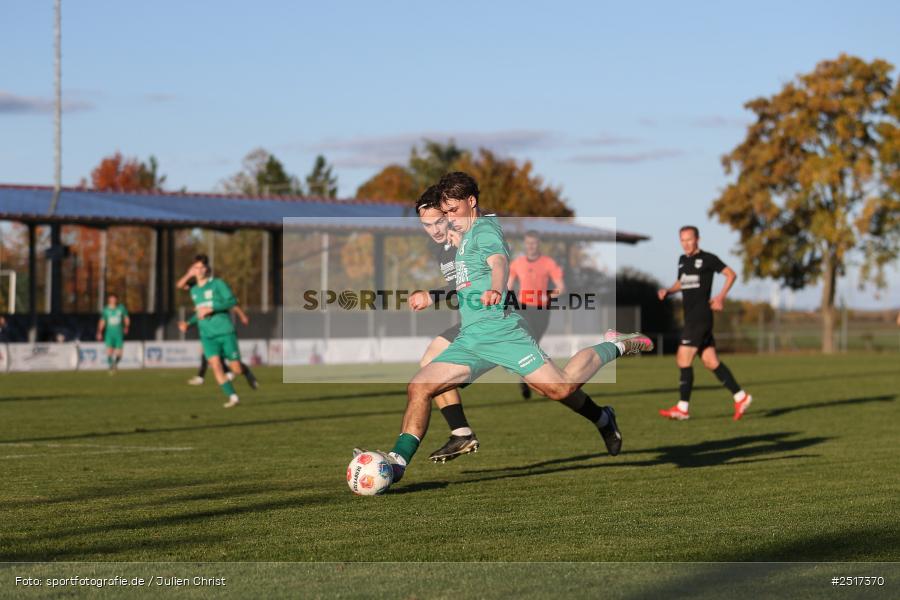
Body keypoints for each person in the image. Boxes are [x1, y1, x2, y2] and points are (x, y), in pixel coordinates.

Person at [357, 172, 654, 488]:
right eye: (440, 216)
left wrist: (497, 287)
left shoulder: (485, 231)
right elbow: (463, 273)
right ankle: (398, 463)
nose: (445, 221)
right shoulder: (458, 235)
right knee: (420, 385)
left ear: (471, 203)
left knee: (560, 388)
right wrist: (435, 289)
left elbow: (499, 262)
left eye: (451, 212)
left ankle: (617, 345)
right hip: (472, 336)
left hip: (502, 332)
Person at [409, 185, 478, 463]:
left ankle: (600, 415)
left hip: (499, 323)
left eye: (439, 221)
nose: (435, 230)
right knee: (430, 362)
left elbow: (471, 283)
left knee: (558, 388)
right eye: (427, 225)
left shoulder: (471, 236)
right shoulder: (442, 249)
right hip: (472, 322)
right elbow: (458, 289)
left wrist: (432, 296)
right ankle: (461, 433)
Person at [657, 226, 752, 421]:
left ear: (697, 239)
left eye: (689, 239)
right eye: (682, 240)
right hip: (691, 318)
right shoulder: (682, 260)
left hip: (701, 318)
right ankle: (741, 397)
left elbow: (731, 274)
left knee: (683, 358)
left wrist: (720, 297)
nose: (686, 243)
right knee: (710, 361)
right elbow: (681, 282)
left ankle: (683, 408)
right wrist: (668, 291)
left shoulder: (708, 259)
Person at [176, 255, 247, 408]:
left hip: (225, 331)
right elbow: (198, 310)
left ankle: (238, 372)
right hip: (207, 335)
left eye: (202, 267)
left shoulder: (217, 284)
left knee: (237, 369)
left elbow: (233, 301)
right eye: (196, 267)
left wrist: (212, 308)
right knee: (215, 365)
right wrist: (188, 323)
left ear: (207, 269)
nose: (199, 270)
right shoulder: (194, 290)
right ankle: (233, 397)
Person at [507, 230, 565, 398]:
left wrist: (547, 295)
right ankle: (529, 380)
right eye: (528, 243)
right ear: (525, 244)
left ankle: (526, 379)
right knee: (528, 343)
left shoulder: (548, 263)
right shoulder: (517, 263)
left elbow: (561, 287)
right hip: (523, 308)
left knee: (534, 345)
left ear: (539, 244)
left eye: (534, 243)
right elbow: (509, 287)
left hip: (542, 309)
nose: (531, 246)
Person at [185, 302, 258, 390]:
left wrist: (242, 315)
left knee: (236, 368)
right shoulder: (198, 296)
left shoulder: (218, 296)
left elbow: (232, 303)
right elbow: (197, 314)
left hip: (224, 334)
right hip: (210, 337)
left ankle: (246, 373)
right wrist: (187, 323)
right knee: (210, 357)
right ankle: (202, 377)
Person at [96, 293, 130, 373]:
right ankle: (111, 365)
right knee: (109, 351)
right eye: (111, 299)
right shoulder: (106, 310)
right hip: (109, 334)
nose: (113, 300)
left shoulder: (121, 308)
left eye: (114, 299)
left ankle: (115, 363)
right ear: (109, 300)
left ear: (116, 300)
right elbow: (102, 321)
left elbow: (126, 318)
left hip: (119, 334)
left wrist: (126, 327)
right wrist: (99, 332)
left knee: (119, 353)